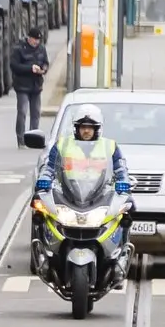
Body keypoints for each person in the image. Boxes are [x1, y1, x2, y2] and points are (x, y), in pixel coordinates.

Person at [37, 104, 135, 286]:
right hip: (70, 196)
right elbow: (50, 167)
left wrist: (124, 182)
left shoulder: (109, 146)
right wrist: (44, 180)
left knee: (128, 207)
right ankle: (45, 254)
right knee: (39, 208)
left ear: (97, 129)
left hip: (99, 196)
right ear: (77, 128)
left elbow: (121, 168)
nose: (86, 131)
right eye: (83, 127)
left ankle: (121, 253)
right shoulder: (62, 144)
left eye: (90, 128)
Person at [11, 30, 48, 140]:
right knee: (22, 111)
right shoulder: (19, 49)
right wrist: (30, 68)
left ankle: (33, 138)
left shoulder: (41, 49)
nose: (36, 42)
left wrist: (44, 69)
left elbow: (45, 62)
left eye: (38, 40)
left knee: (36, 113)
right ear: (29, 38)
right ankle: (21, 138)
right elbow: (14, 66)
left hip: (36, 86)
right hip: (22, 85)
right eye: (35, 39)